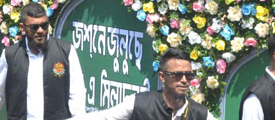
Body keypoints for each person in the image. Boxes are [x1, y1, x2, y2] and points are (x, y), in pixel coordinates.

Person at [0, 2, 86, 119]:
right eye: (34, 27)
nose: (40, 31)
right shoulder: (10, 55)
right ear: (22, 27)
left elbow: (77, 94)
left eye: (44, 25)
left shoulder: (66, 52)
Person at [87, 48, 215, 120]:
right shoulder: (139, 104)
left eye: (188, 75)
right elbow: (102, 117)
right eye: (176, 74)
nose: (183, 80)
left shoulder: (200, 114)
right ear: (162, 77)